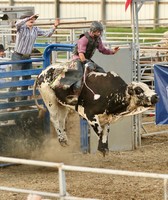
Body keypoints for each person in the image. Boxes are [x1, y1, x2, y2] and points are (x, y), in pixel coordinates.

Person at [8, 13, 60, 102]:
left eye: (34, 19)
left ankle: (23, 102)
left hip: (27, 57)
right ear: (25, 20)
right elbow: (17, 23)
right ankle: (11, 101)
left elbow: (47, 34)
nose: (33, 20)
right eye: (30, 19)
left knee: (26, 78)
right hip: (18, 56)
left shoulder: (35, 29)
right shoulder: (21, 28)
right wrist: (28, 18)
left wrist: (54, 26)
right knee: (15, 79)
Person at [69, 21, 120, 102]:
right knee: (79, 79)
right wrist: (85, 62)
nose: (99, 33)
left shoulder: (97, 39)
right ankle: (74, 96)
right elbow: (81, 53)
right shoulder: (84, 39)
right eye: (98, 31)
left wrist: (112, 51)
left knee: (102, 71)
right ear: (93, 30)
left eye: (100, 31)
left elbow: (102, 50)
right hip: (78, 59)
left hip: (86, 59)